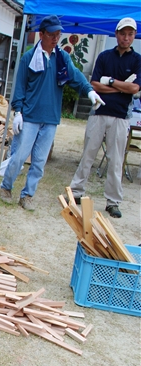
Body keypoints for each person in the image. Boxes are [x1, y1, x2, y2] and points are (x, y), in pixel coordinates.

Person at [0, 15, 104, 210]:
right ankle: (6, 186)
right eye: (52, 34)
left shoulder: (62, 57)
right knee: (20, 156)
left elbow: (76, 76)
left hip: (50, 117)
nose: (55, 38)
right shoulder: (29, 57)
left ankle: (27, 195)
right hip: (30, 115)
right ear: (42, 34)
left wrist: (89, 91)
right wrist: (18, 111)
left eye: (58, 34)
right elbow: (19, 86)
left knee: (39, 162)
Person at [69, 17, 141, 218]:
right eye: (123, 33)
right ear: (116, 34)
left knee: (115, 160)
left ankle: (113, 201)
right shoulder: (104, 56)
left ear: (134, 36)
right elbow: (94, 85)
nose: (126, 38)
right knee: (87, 155)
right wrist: (120, 87)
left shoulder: (137, 60)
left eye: (130, 34)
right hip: (98, 112)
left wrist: (109, 82)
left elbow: (135, 88)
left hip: (120, 117)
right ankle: (76, 192)